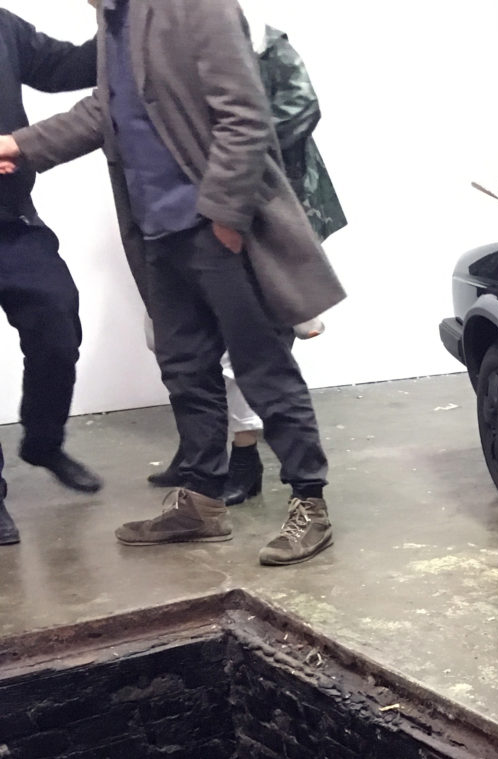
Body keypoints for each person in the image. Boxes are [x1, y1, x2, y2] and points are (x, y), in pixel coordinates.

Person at [0, 0, 346, 566]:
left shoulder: (195, 6)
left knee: (262, 366)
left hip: (213, 227)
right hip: (156, 229)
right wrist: (21, 145)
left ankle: (310, 503)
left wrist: (227, 217)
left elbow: (246, 114)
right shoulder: (115, 19)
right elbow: (107, 109)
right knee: (186, 369)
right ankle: (202, 504)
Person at [148, 6, 346, 506]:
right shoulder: (164, 38)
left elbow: (299, 109)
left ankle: (247, 459)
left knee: (252, 349)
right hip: (193, 211)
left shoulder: (260, 39)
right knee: (182, 344)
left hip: (259, 207)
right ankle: (204, 452)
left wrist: (225, 161)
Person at [0, 6, 101, 548]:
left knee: (57, 325)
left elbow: (67, 66)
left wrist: (123, 19)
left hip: (12, 223)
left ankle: (43, 442)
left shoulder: (3, 25)